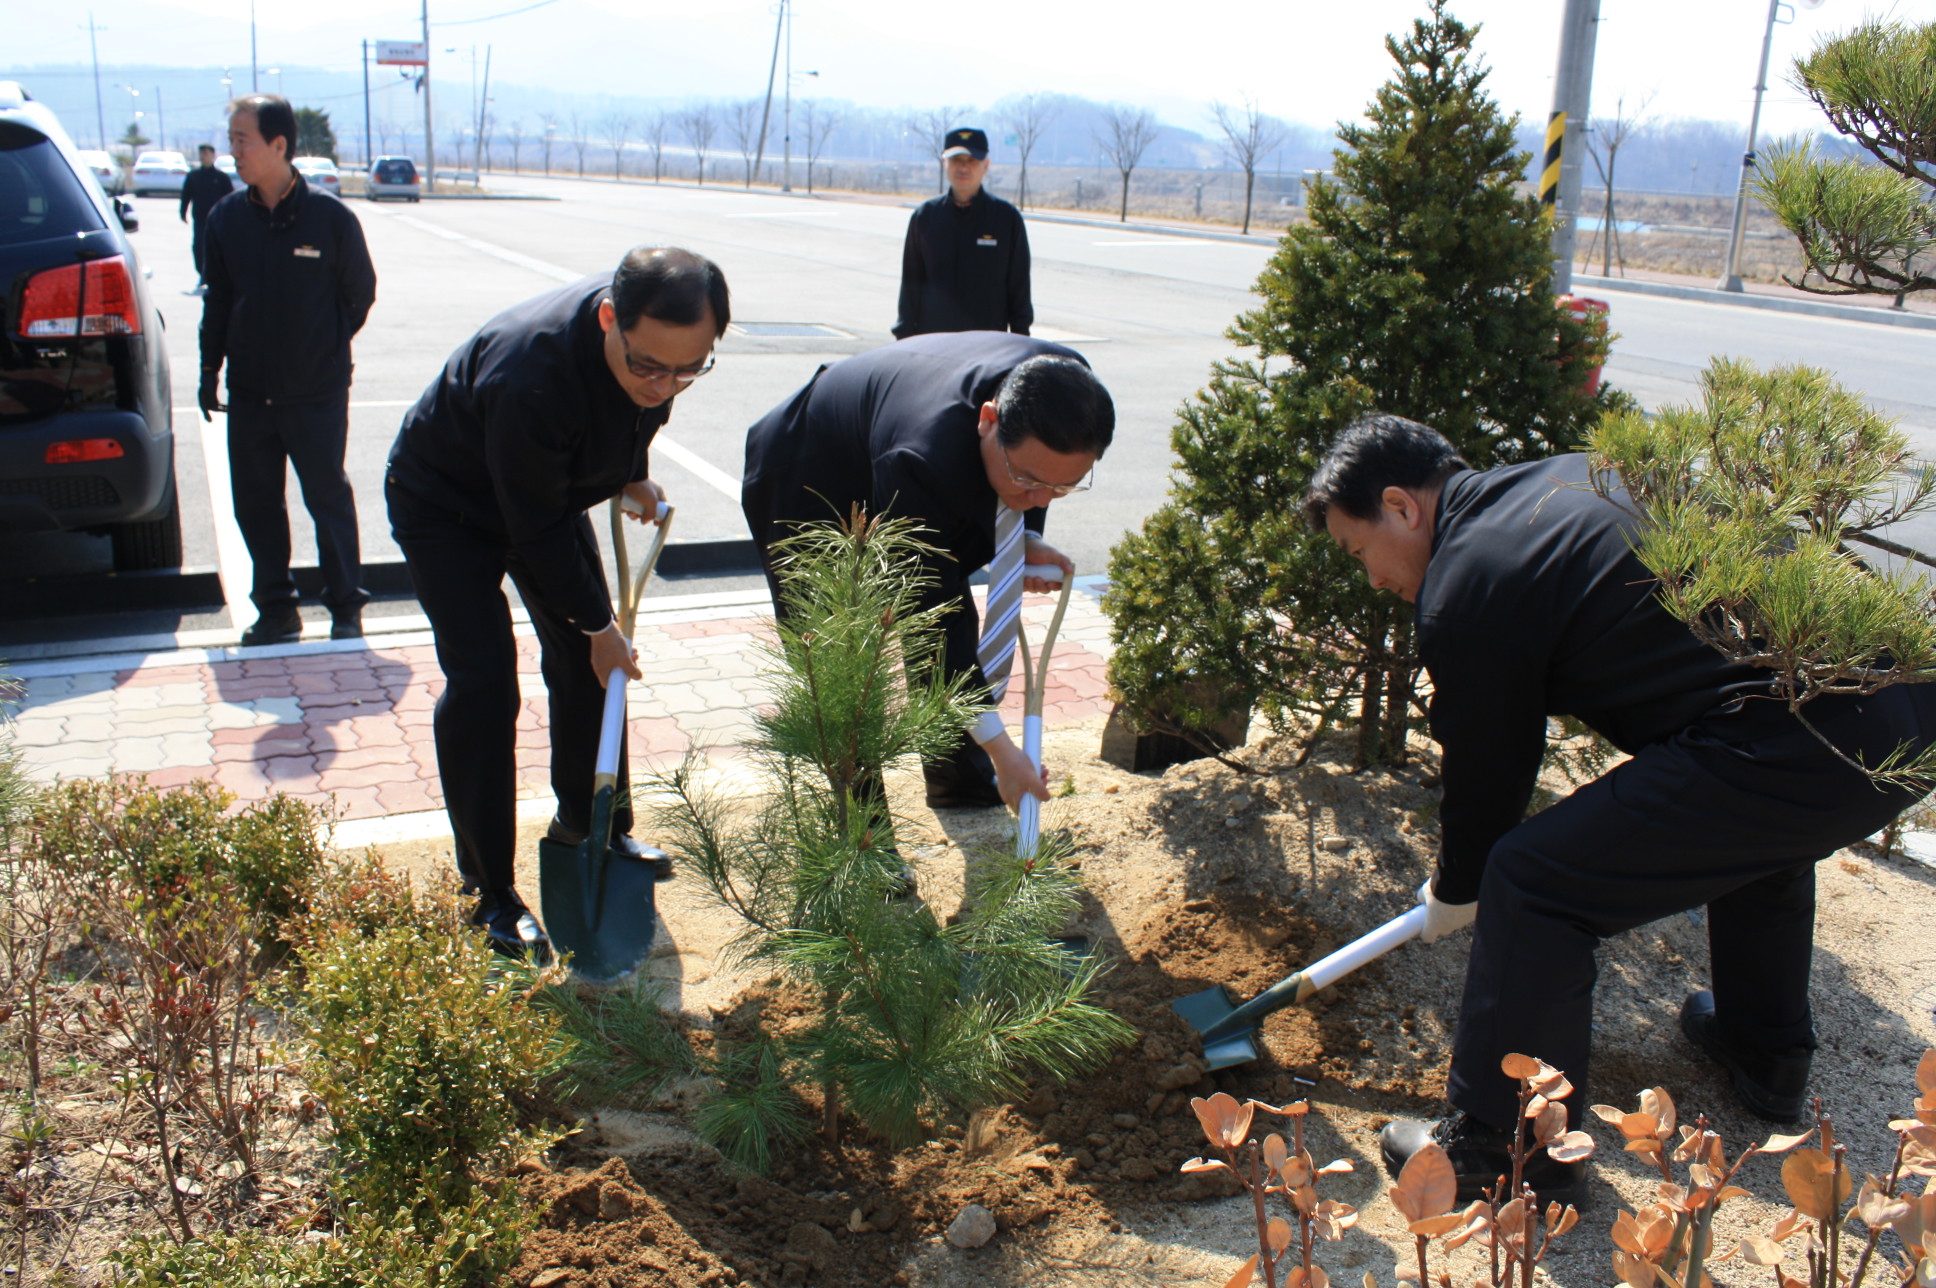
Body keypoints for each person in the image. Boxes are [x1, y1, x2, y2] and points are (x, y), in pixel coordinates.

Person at [1303, 413, 1936, 1199]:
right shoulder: (1572, 478)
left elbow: (1489, 773)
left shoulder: (1464, 581)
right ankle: (1763, 1049)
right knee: (1754, 831)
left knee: (1533, 881)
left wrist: (1460, 886)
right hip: (1902, 709)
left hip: (1806, 740)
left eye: (1358, 551)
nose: (1371, 579)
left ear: (1400, 506)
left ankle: (1507, 1147)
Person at [385, 247, 730, 959]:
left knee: (593, 668)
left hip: (544, 492)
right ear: (609, 319)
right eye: (648, 367)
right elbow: (536, 529)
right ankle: (488, 893)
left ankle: (593, 827)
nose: (664, 386)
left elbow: (631, 413)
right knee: (485, 681)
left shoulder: (654, 356)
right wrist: (598, 626)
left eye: (687, 371)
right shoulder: (529, 374)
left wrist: (630, 472)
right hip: (447, 501)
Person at [741, 332, 1112, 810]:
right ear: (989, 420)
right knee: (840, 655)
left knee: (948, 600)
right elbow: (933, 622)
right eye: (1027, 480)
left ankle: (960, 782)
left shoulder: (1067, 389)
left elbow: (1033, 477)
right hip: (807, 468)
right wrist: (1005, 752)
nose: (1041, 498)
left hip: (903, 441)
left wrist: (1024, 537)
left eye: (1063, 487)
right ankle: (863, 830)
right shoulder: (921, 458)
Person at [199, 94, 376, 645]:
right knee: (256, 505)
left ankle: (346, 607)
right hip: (251, 392)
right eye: (231, 140)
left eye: (242, 140)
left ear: (279, 145)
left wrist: (321, 348)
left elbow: (359, 294)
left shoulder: (330, 218)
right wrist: (210, 369)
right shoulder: (226, 218)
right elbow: (218, 300)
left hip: (315, 391)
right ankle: (277, 610)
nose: (234, 151)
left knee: (327, 498)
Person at [892, 127, 1032, 340]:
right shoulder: (925, 217)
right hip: (933, 343)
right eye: (957, 160)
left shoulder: (1006, 219)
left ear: (986, 165)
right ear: (944, 162)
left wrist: (1021, 341)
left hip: (987, 345)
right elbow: (911, 286)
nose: (964, 167)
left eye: (972, 161)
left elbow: (1019, 287)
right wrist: (904, 339)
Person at [178, 144, 230, 295]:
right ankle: (203, 275)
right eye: (201, 153)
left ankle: (217, 277)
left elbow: (230, 198)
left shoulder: (221, 177)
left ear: (213, 156)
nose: (203, 156)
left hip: (219, 220)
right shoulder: (193, 177)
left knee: (218, 248)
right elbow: (186, 195)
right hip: (200, 219)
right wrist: (183, 212)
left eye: (206, 153)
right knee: (199, 247)